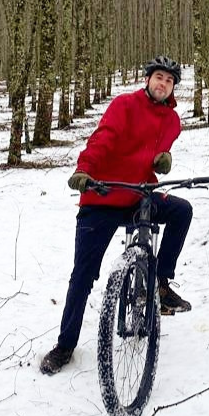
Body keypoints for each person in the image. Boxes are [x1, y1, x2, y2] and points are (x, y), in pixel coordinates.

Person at [40, 56, 193, 376]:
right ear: (148, 79)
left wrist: (163, 158)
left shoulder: (172, 119)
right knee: (82, 274)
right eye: (159, 77)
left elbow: (161, 149)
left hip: (140, 195)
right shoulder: (125, 105)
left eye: (169, 80)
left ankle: (160, 284)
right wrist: (84, 169)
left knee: (181, 210)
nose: (163, 83)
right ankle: (65, 345)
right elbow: (103, 138)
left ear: (173, 87)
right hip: (102, 194)